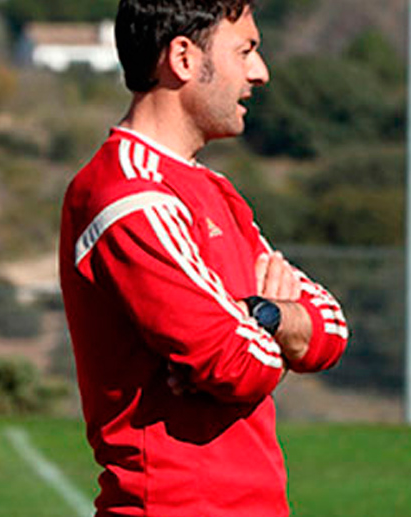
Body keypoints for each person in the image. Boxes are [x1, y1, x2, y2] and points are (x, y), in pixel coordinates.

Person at [58, 1, 349, 515]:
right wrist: (272, 334)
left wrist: (262, 315)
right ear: (184, 59)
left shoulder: (215, 190)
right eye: (246, 51)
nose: (260, 73)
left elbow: (331, 328)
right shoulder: (124, 195)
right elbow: (240, 365)